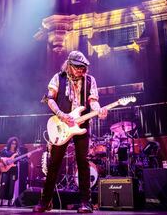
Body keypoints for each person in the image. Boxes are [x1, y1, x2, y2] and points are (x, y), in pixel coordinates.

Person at [33, 51, 107, 213]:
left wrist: (99, 110)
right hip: (62, 124)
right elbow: (49, 98)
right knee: (54, 164)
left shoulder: (89, 80)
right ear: (69, 65)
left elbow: (93, 101)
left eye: (84, 67)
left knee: (83, 162)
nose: (82, 70)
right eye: (78, 67)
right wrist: (61, 115)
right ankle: (45, 201)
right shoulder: (58, 78)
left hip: (81, 125)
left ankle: (85, 202)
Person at [0, 137, 20, 206]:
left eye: (15, 144)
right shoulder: (5, 150)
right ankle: (0, 200)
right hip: (5, 170)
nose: (13, 145)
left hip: (13, 171)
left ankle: (10, 201)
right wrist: (3, 160)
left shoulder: (17, 153)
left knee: (11, 186)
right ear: (10, 144)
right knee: (3, 185)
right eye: (12, 143)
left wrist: (27, 156)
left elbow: (20, 160)